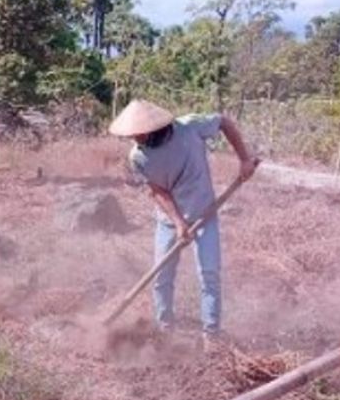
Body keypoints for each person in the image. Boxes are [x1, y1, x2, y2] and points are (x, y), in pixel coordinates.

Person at [108, 99, 257, 341]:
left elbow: (224, 123)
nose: (134, 139)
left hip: (205, 214)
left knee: (209, 275)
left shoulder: (189, 127)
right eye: (131, 135)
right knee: (162, 277)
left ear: (151, 128)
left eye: (137, 134)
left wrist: (244, 159)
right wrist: (178, 222)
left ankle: (211, 335)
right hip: (169, 221)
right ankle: (164, 328)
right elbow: (157, 190)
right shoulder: (138, 157)